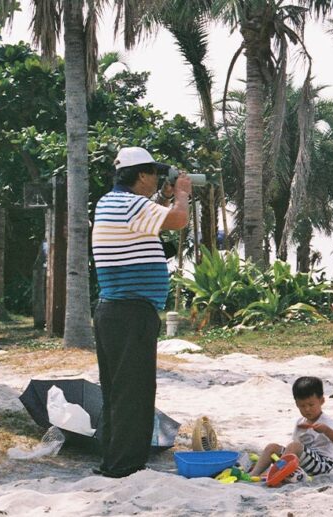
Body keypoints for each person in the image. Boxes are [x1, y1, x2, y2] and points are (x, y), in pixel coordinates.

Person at [91, 147, 192, 478]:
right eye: (154, 175)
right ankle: (125, 467)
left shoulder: (112, 202)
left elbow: (149, 219)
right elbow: (178, 220)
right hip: (130, 311)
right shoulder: (131, 204)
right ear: (142, 175)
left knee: (117, 392)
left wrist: (164, 198)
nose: (157, 181)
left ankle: (112, 460)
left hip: (114, 310)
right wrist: (182, 195)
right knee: (135, 392)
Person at [249, 377, 333, 478]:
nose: (307, 409)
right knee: (272, 447)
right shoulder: (300, 422)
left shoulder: (326, 421)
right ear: (297, 404)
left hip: (322, 464)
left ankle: (275, 473)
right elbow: (293, 447)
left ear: (321, 401)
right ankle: (253, 474)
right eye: (302, 406)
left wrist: (326, 430)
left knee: (294, 446)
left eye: (311, 405)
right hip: (300, 461)